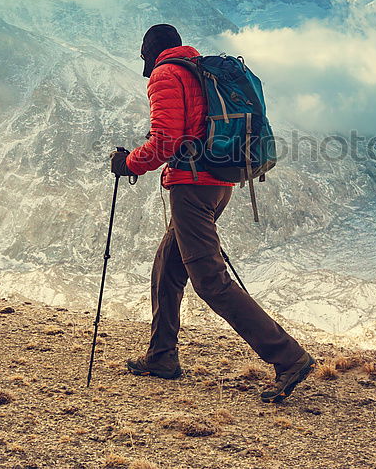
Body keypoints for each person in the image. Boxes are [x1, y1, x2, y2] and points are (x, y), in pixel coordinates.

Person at [110, 24, 314, 403]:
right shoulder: (200, 70)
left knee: (210, 281)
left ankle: (288, 357)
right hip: (220, 184)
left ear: (149, 53)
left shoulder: (165, 74)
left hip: (192, 186)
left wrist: (129, 164)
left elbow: (165, 139)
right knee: (167, 267)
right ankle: (161, 357)